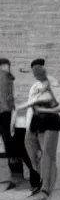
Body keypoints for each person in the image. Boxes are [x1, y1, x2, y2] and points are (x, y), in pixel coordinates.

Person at [18, 58, 60, 200]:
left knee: (48, 154)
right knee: (34, 153)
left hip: (51, 121)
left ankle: (46, 189)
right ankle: (46, 179)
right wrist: (27, 126)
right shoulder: (34, 87)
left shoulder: (52, 83)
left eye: (39, 68)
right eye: (34, 70)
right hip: (36, 122)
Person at [0, 57, 23, 191]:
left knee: (10, 143)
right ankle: (16, 175)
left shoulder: (7, 78)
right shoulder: (8, 78)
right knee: (10, 143)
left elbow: (9, 98)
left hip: (5, 113)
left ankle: (16, 176)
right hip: (6, 112)